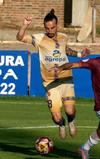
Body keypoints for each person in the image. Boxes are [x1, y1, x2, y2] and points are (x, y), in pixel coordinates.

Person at [16, 9, 90, 139]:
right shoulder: (39, 39)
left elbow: (65, 50)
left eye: (52, 27)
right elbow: (20, 37)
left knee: (70, 111)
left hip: (66, 78)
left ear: (57, 25)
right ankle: (61, 124)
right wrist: (25, 25)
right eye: (47, 28)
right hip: (50, 82)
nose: (50, 30)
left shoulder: (63, 37)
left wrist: (79, 54)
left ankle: (71, 121)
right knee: (56, 117)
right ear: (44, 27)